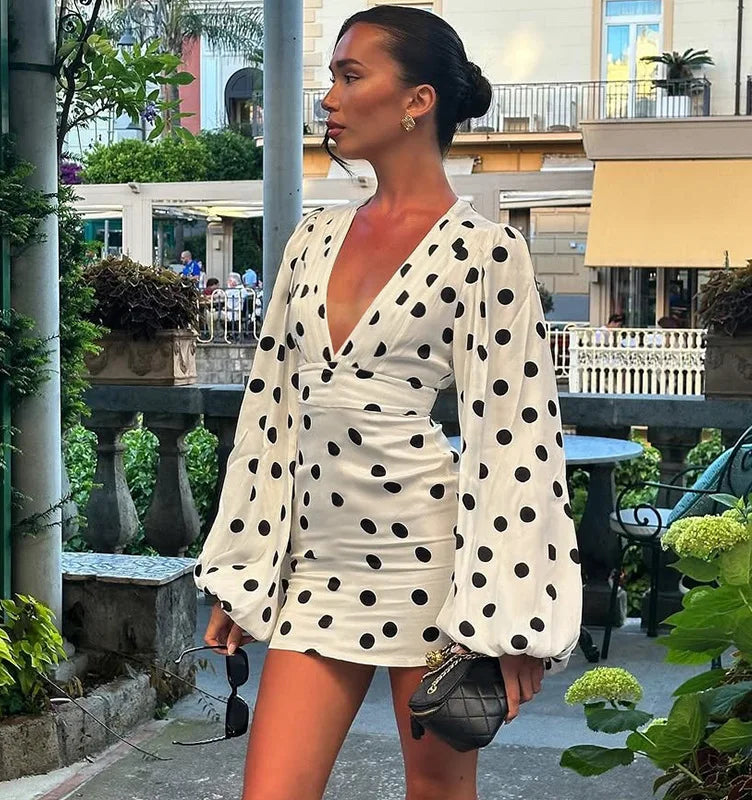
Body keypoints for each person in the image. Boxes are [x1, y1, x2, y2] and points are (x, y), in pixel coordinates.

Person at [194, 7, 582, 799]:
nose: (328, 98)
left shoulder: (485, 251)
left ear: (418, 100)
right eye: (331, 76)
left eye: (349, 75)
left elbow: (517, 438)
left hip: (431, 574)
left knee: (437, 794)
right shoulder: (311, 239)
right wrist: (243, 568)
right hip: (315, 565)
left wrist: (512, 616)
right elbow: (269, 413)